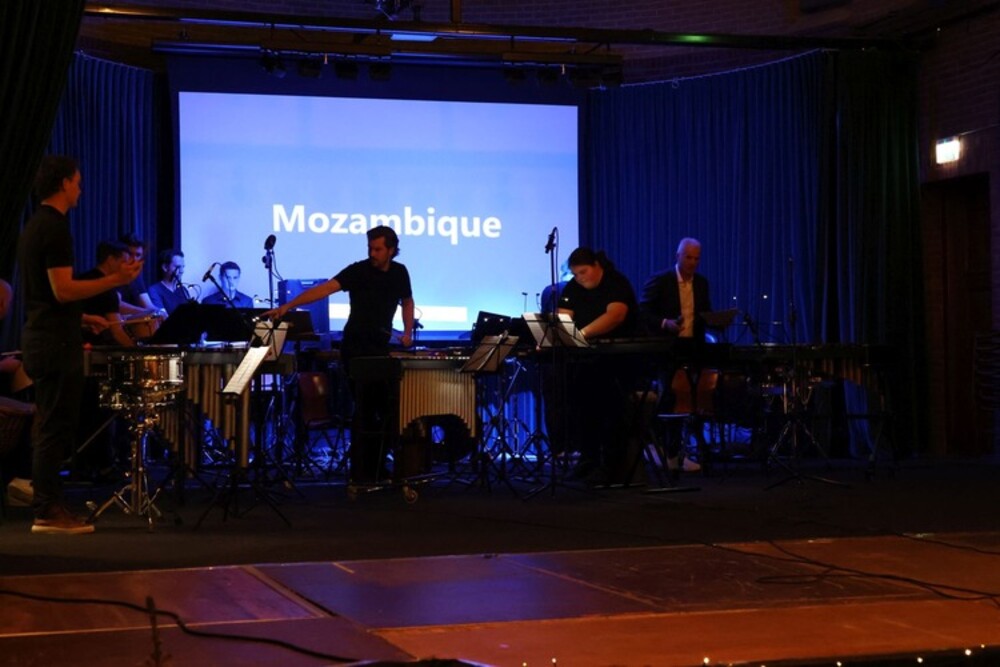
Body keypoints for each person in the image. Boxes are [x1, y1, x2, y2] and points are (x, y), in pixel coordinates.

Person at [17, 155, 142, 534]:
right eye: (77, 182)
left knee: (53, 426)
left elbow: (46, 296)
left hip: (46, 335)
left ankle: (49, 504)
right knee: (55, 429)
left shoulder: (36, 225)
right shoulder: (54, 228)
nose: (81, 189)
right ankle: (47, 511)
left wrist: (83, 318)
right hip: (54, 344)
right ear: (64, 184)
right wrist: (115, 280)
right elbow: (63, 290)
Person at [264, 226, 415, 483]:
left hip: (380, 348)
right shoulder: (358, 270)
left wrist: (408, 331)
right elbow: (324, 289)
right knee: (365, 407)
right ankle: (363, 471)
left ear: (391, 250)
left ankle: (378, 466)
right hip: (355, 348)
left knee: (385, 408)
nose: (373, 253)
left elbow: (408, 301)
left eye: (378, 249)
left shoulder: (400, 272)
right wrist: (288, 306)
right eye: (370, 248)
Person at [557, 247, 639, 485]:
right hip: (587, 358)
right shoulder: (574, 287)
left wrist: (581, 334)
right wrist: (563, 334)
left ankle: (611, 464)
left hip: (619, 359)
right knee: (580, 404)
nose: (580, 278)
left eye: (583, 272)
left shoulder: (616, 282)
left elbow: (616, 315)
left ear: (596, 265)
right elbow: (563, 316)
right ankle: (588, 459)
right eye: (575, 274)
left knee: (610, 407)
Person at [640, 237, 713, 473]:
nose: (692, 263)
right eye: (688, 257)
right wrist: (665, 323)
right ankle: (666, 450)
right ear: (677, 256)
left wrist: (716, 319)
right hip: (667, 349)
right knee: (669, 397)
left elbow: (705, 312)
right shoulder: (661, 280)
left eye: (696, 258)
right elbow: (643, 312)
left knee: (693, 398)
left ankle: (685, 450)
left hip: (693, 347)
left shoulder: (701, 283)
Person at [80, 240, 137, 348]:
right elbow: (117, 332)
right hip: (96, 347)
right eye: (123, 262)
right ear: (110, 260)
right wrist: (136, 350)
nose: (125, 267)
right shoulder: (107, 289)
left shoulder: (80, 279)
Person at [148, 248, 191, 315]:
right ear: (165, 267)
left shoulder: (183, 290)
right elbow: (162, 316)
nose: (182, 271)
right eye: (178, 267)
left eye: (183, 267)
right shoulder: (155, 290)